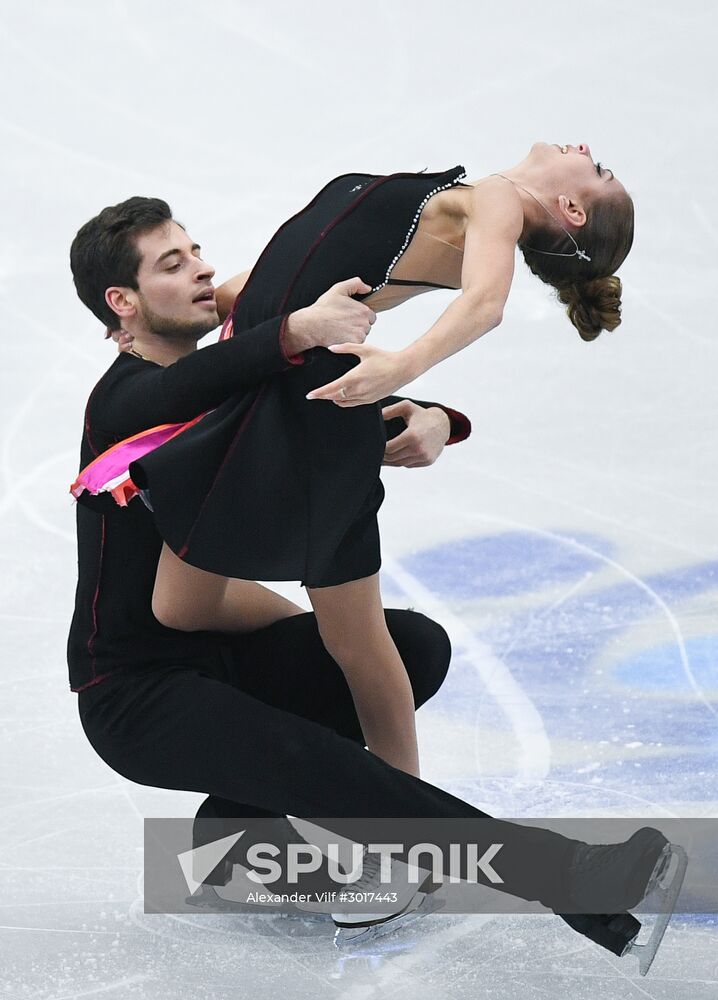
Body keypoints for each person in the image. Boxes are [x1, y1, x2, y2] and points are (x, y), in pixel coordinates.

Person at [67, 169, 683, 971]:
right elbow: (219, 378)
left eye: (196, 253)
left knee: (410, 648)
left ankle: (230, 844)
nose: (202, 273)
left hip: (220, 666)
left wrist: (434, 417)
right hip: (137, 698)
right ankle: (573, 877)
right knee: (322, 765)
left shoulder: (225, 376)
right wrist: (293, 330)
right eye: (172, 266)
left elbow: (293, 399)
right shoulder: (123, 402)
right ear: (123, 302)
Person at [90, 143, 633, 784]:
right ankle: (334, 774)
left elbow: (485, 304)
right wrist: (210, 310)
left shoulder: (497, 202)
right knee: (182, 606)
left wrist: (404, 368)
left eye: (599, 173)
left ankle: (398, 807)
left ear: (568, 208)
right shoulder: (464, 197)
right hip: (269, 389)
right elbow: (268, 282)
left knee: (357, 641)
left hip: (311, 397)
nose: (590, 152)